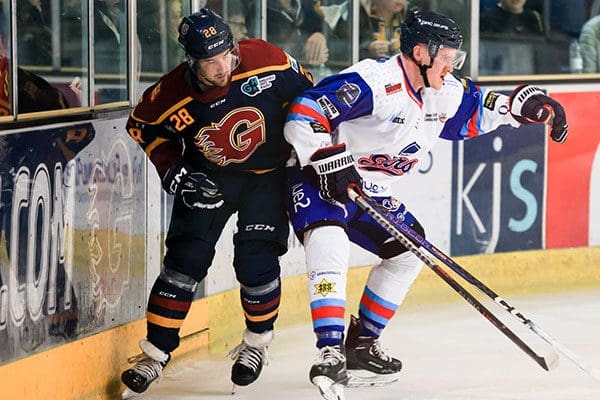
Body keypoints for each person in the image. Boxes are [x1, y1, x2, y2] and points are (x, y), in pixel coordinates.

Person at [284, 9, 568, 400]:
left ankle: (362, 346)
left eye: (455, 57)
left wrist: (528, 106)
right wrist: (330, 160)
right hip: (320, 177)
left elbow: (477, 107)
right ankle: (330, 350)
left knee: (409, 251)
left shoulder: (442, 89)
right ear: (420, 51)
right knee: (329, 242)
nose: (451, 66)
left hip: (368, 189)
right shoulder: (375, 82)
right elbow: (304, 113)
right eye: (447, 56)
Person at [120, 8, 313, 397]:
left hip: (268, 178)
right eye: (210, 61)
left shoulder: (267, 60)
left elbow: (311, 96)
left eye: (226, 54)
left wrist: (312, 151)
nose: (222, 65)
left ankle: (256, 345)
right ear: (191, 61)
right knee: (184, 262)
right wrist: (171, 166)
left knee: (255, 261)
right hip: (208, 177)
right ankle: (155, 354)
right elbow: (141, 126)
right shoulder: (172, 92)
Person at [267, 0, 330, 67]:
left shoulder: (305, 6)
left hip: (314, 73)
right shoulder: (260, 10)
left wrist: (320, 36)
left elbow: (337, 39)